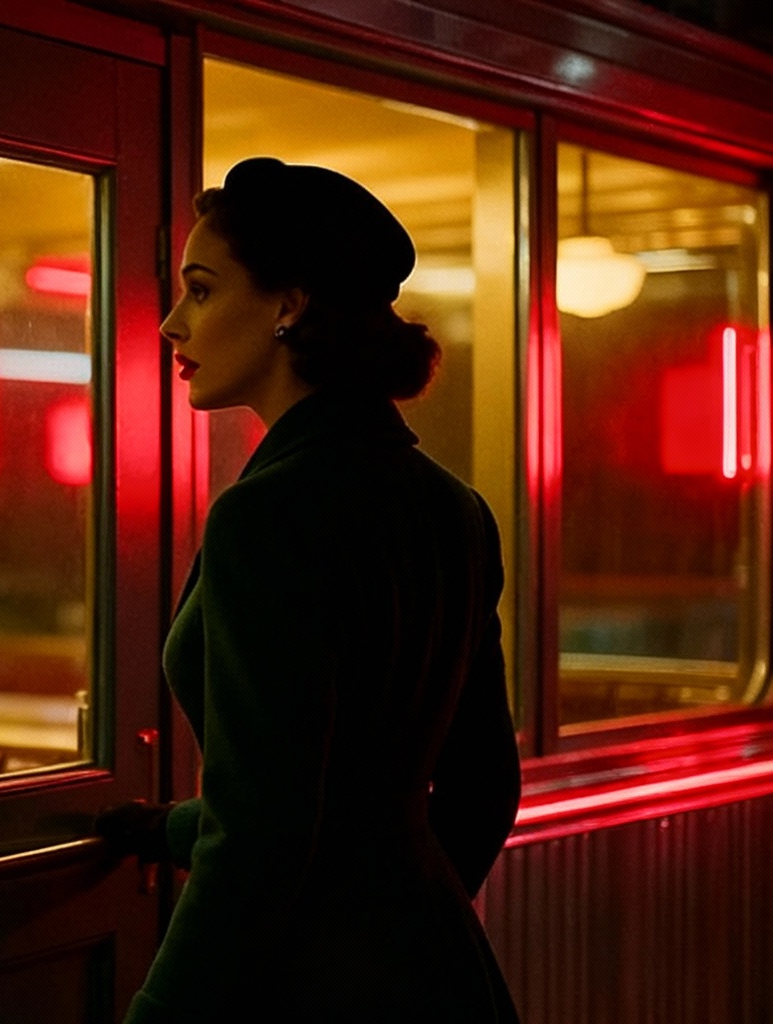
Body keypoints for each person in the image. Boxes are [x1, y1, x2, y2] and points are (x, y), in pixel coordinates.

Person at [100, 157, 522, 1023]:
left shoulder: (269, 515)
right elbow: (481, 789)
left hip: (311, 985)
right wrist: (396, 913)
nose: (173, 324)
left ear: (289, 305)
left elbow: (262, 834)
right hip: (439, 972)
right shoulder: (455, 508)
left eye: (203, 291)